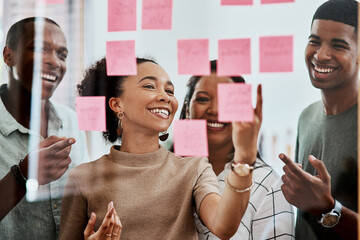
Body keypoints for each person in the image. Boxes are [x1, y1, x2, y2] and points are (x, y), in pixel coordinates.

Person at [59, 57, 262, 240]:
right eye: (149, 86)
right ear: (117, 104)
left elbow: (224, 226)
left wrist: (244, 158)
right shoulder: (83, 178)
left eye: (170, 91)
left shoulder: (194, 168)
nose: (165, 97)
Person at [178, 60, 294, 239]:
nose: (215, 110)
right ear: (187, 108)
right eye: (202, 99)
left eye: (227, 101)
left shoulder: (267, 184)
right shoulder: (169, 171)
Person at [0, 17, 88, 239]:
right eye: (40, 49)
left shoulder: (70, 119)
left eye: (62, 55)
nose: (54, 62)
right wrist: (21, 176)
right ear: (8, 55)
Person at [279, 1, 358, 239]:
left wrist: (327, 208)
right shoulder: (307, 117)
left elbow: (318, 207)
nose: (321, 55)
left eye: (339, 45)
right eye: (314, 41)